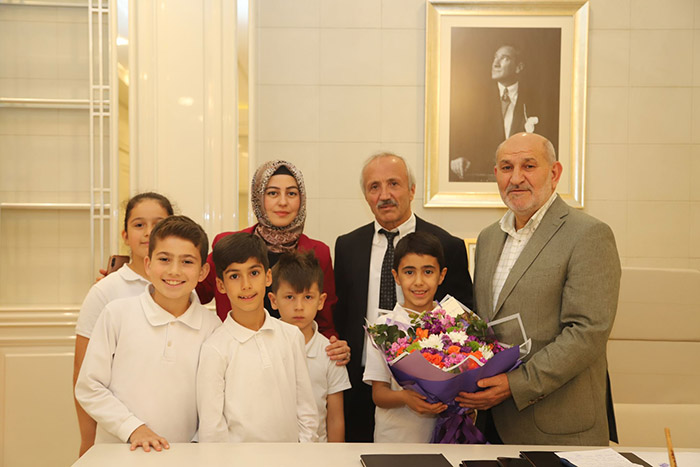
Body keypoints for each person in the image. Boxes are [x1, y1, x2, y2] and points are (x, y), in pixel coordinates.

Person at [455, 132, 621, 445]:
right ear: (496, 174)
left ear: (555, 173)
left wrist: (516, 384)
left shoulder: (589, 235)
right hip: (491, 424)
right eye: (507, 168)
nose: (516, 178)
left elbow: (587, 333)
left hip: (557, 427)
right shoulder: (488, 238)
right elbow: (485, 324)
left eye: (529, 166)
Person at [333, 152, 473, 442]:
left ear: (412, 190)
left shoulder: (447, 245)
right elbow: (342, 312)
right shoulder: (347, 246)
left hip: (429, 394)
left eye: (393, 184)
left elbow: (463, 320)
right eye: (374, 187)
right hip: (360, 382)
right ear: (366, 196)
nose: (384, 195)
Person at [75, 216, 220, 451]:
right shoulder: (117, 314)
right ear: (148, 264)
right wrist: (133, 428)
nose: (174, 271)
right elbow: (89, 386)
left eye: (187, 262)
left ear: (203, 271)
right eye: (164, 259)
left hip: (184, 455)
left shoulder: (213, 327)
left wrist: (197, 446)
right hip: (119, 454)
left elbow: (214, 401)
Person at [196, 160, 350, 363]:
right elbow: (194, 293)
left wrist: (335, 347)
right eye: (272, 193)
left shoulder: (318, 252)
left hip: (295, 359)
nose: (283, 202)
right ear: (258, 198)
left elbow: (324, 321)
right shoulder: (229, 245)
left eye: (292, 193)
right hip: (237, 357)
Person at [72, 192, 174, 456]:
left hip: (173, 439)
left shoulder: (182, 287)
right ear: (125, 235)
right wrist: (88, 441)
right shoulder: (105, 291)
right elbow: (83, 373)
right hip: (118, 436)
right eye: (139, 225)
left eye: (158, 224)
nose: (148, 232)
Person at [196, 232, 318, 442]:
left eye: (254, 273)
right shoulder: (215, 349)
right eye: (234, 276)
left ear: (268, 277)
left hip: (292, 456)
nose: (246, 285)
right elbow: (212, 428)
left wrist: (304, 452)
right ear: (221, 285)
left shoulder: (291, 337)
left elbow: (306, 409)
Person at [363, 232, 449, 442]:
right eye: (409, 272)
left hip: (447, 437)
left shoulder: (454, 322)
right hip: (395, 440)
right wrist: (404, 397)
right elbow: (378, 394)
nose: (419, 282)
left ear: (441, 275)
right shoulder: (383, 328)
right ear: (396, 276)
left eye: (428, 272)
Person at [269, 251, 351, 442]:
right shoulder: (265, 345)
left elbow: (335, 418)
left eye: (307, 297)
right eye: (290, 297)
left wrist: (336, 455)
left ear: (321, 301)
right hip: (272, 449)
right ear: (274, 300)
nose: (299, 306)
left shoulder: (330, 352)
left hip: (318, 451)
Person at [449, 45, 558, 182]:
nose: (495, 63)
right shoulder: (476, 98)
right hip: (483, 178)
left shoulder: (537, 101)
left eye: (504, 58)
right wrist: (459, 157)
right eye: (495, 57)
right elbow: (462, 136)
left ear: (518, 67)